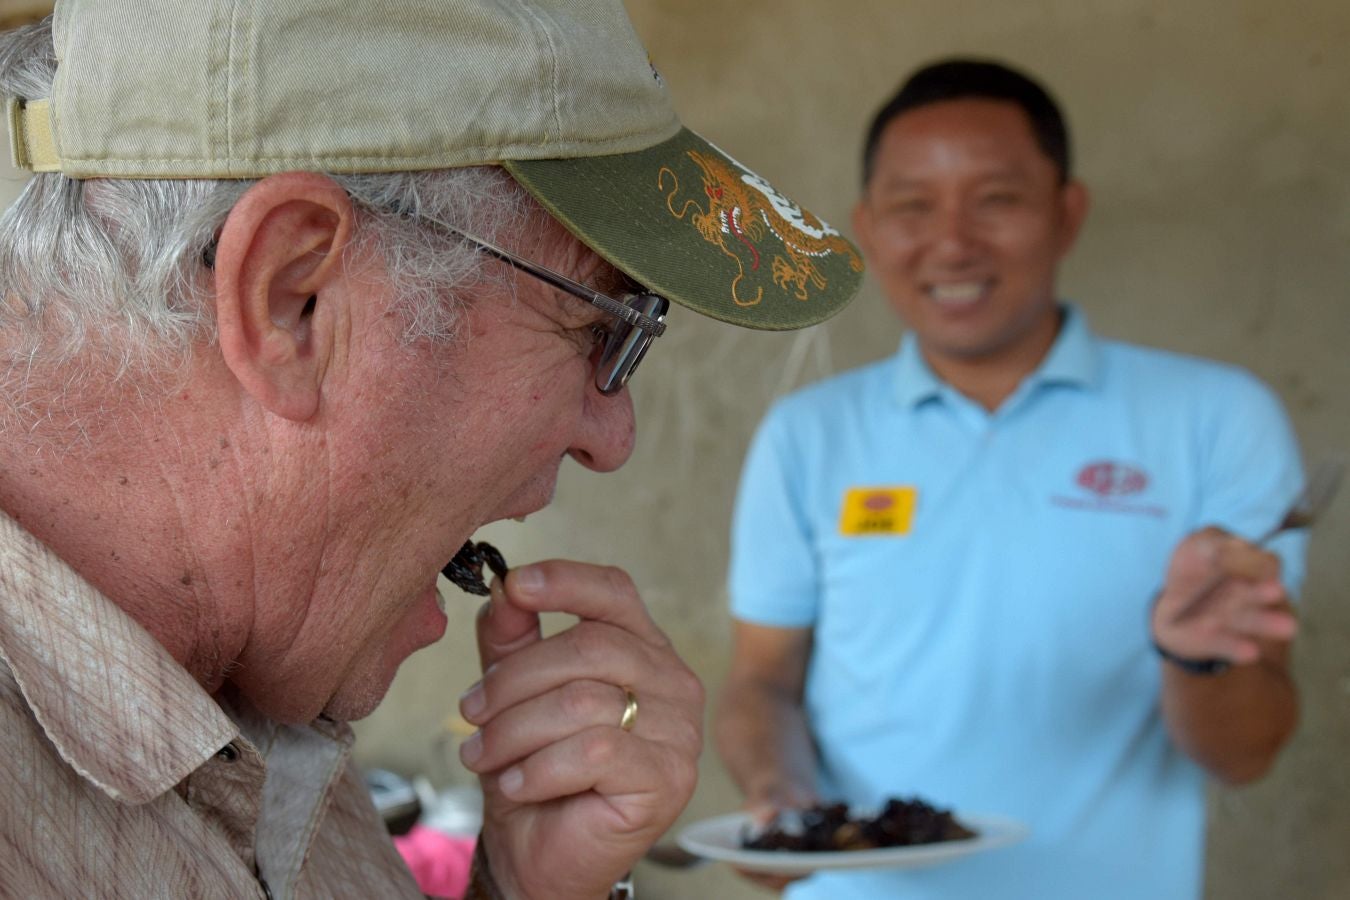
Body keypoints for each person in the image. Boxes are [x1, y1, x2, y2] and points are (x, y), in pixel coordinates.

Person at [0, 2, 864, 899]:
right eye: (602, 326)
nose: (613, 438)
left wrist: (524, 891)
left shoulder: (260, 675)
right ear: (291, 298)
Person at [715, 58, 1305, 900]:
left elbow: (1248, 754)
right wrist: (780, 790)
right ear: (867, 227)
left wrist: (1196, 659)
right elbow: (762, 680)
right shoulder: (809, 434)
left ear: (1068, 214)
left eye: (997, 199)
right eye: (912, 205)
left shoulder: (1216, 420)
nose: (952, 243)